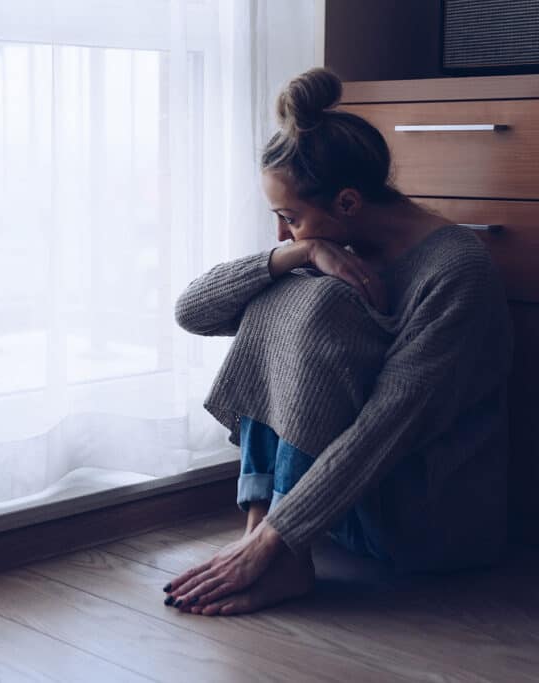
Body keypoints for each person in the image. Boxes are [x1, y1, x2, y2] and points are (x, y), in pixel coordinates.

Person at [162, 67, 514, 617]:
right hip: (335, 518)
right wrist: (295, 257)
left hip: (424, 522)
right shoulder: (329, 246)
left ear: (348, 203)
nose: (281, 232)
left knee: (315, 304)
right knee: (284, 296)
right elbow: (191, 312)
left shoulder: (455, 270)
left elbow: (387, 427)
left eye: (290, 219)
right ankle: (269, 542)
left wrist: (275, 536)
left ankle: (276, 550)